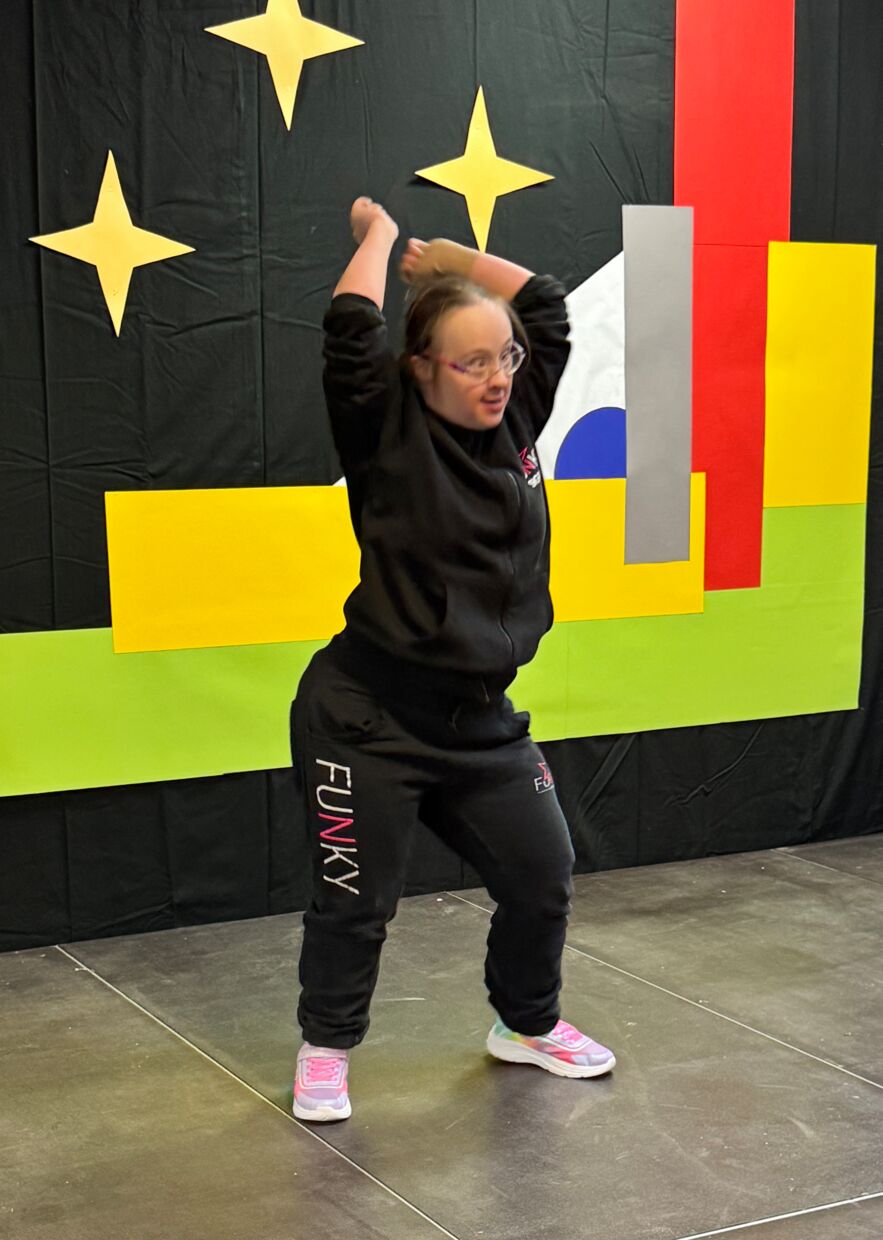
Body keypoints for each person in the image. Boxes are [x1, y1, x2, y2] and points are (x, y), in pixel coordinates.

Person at [290, 196, 615, 1122]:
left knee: (541, 876)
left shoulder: (515, 421)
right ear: (420, 368)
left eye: (504, 357)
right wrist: (381, 239)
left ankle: (526, 1024)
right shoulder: (383, 429)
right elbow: (351, 324)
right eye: (472, 362)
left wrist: (454, 260)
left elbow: (545, 303)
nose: (497, 377)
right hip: (367, 719)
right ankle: (325, 1047)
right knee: (356, 903)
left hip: (480, 721)